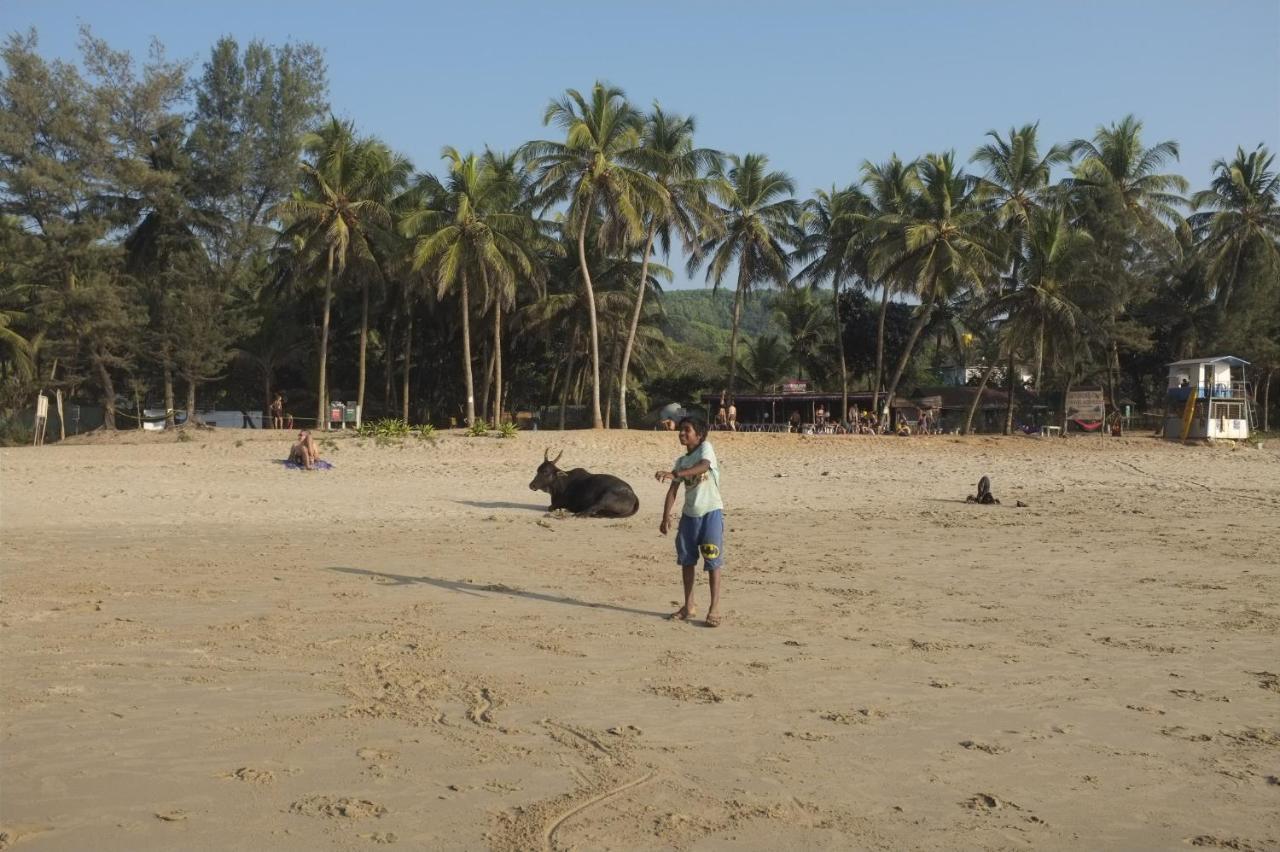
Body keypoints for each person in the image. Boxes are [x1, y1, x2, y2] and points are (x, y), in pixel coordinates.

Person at [655, 417, 725, 628]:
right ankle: (689, 605)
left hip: (711, 513)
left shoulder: (706, 448)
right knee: (687, 562)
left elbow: (703, 467)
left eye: (687, 430)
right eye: (681, 430)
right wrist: (665, 516)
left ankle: (714, 608)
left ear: (699, 434)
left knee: (713, 560)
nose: (682, 434)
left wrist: (676, 474)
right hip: (689, 517)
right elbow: (673, 490)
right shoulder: (681, 461)